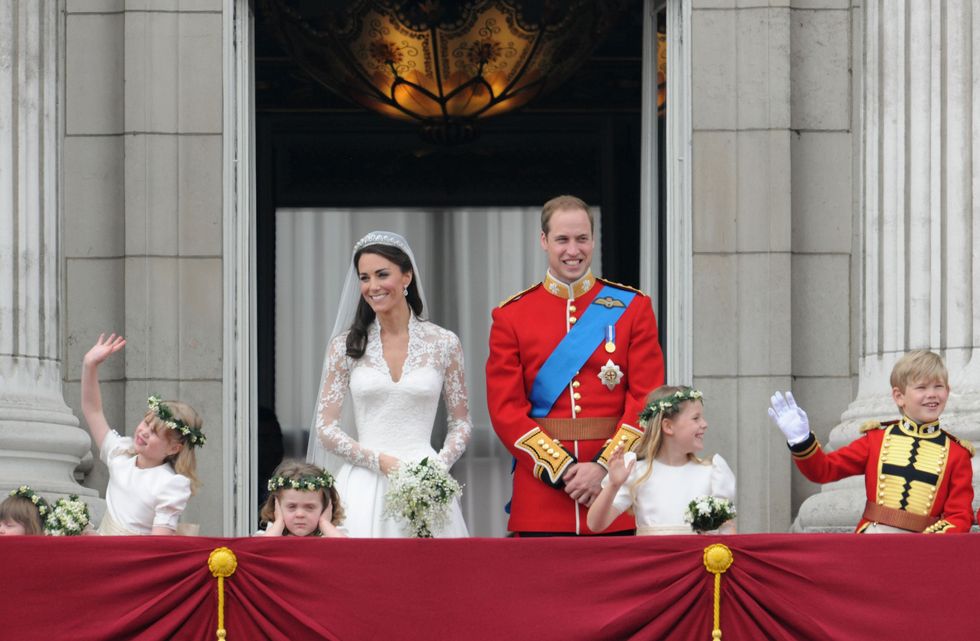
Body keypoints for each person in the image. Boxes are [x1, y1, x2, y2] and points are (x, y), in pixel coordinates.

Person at [486, 195, 665, 536]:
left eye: (582, 239)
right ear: (544, 241)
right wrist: (562, 470)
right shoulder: (512, 316)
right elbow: (505, 410)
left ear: (593, 241)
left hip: (615, 493)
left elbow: (646, 401)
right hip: (543, 496)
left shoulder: (633, 308)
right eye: (562, 240)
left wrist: (603, 468)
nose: (573, 249)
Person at [306, 231, 472, 537]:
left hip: (426, 482)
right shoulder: (345, 345)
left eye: (382, 274)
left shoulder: (444, 343)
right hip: (363, 484)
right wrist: (378, 461)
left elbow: (461, 423)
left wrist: (436, 467)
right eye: (365, 277)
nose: (373, 286)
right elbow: (325, 428)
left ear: (406, 276)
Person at [768, 350, 975, 533]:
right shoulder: (876, 440)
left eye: (938, 386)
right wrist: (801, 440)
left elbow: (959, 516)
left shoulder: (957, 453)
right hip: (873, 541)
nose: (932, 394)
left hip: (923, 549)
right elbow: (823, 470)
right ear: (899, 396)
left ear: (947, 391)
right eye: (921, 387)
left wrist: (929, 544)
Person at [81, 333, 206, 535]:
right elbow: (92, 410)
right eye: (146, 423)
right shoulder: (121, 454)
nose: (144, 432)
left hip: (132, 561)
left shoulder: (170, 483)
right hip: (100, 553)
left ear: (174, 448)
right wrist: (90, 365)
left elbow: (157, 545)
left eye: (155, 432)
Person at [587, 386, 736, 535]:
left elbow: (727, 529)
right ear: (668, 426)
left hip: (697, 558)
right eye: (696, 418)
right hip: (653, 557)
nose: (704, 424)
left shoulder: (712, 472)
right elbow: (595, 524)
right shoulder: (637, 472)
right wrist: (613, 485)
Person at [256, 460, 346, 537]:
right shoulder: (270, 533)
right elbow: (258, 549)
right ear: (277, 506)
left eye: (310, 507)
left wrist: (324, 523)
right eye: (292, 506)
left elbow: (350, 550)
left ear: (326, 507)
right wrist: (279, 524)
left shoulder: (332, 534)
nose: (300, 514)